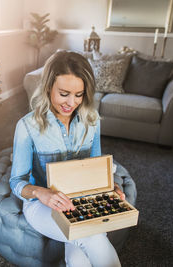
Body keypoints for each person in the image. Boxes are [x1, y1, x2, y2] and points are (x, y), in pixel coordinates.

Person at [10, 50, 125, 267]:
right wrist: (40, 192)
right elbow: (16, 181)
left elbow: (96, 168)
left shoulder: (92, 121)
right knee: (92, 235)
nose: (71, 103)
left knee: (80, 256)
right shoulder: (27, 126)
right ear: (48, 87)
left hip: (82, 201)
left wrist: (112, 187)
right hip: (40, 205)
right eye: (64, 93)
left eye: (79, 95)